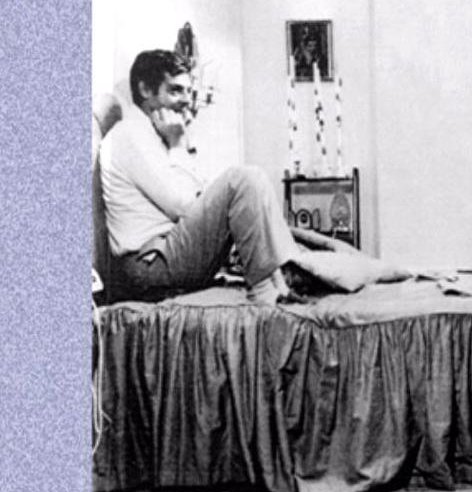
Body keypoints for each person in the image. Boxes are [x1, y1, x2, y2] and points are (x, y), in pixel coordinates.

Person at [100, 49, 333, 303]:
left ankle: (280, 282)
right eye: (175, 90)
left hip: (167, 253)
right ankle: (266, 293)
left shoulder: (156, 134)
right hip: (149, 266)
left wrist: (180, 144)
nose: (185, 100)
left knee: (253, 181)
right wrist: (178, 145)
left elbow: (198, 192)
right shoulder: (130, 135)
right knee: (244, 179)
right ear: (145, 89)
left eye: (188, 92)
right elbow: (184, 206)